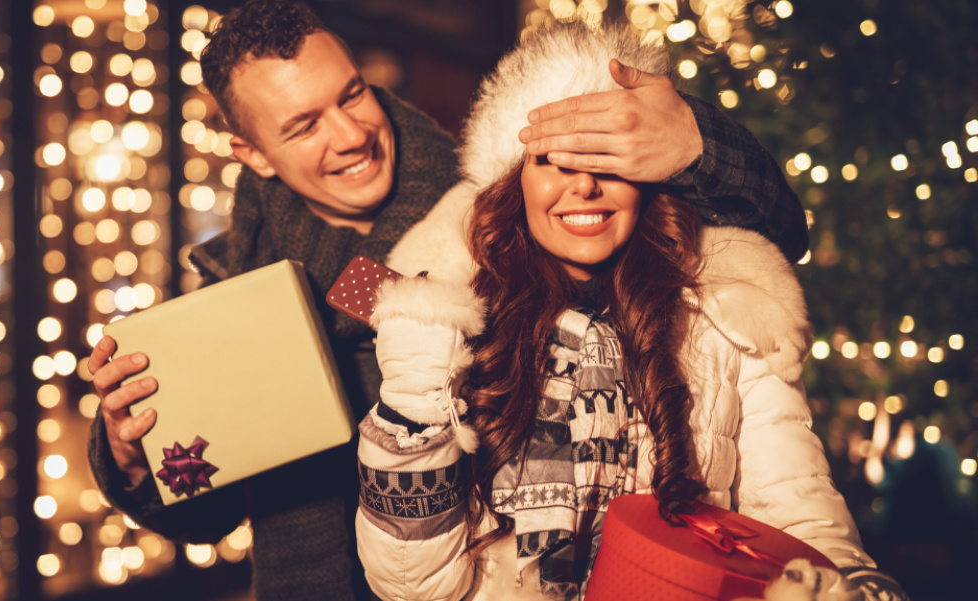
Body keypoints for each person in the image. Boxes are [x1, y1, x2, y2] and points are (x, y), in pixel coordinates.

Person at [86, 2, 813, 600]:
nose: (349, 135)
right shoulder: (238, 279)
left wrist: (694, 141)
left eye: (351, 94)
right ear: (249, 153)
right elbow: (209, 510)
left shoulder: (488, 200)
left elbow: (770, 225)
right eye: (303, 125)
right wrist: (132, 453)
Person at [356, 21, 907, 601]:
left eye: (609, 162)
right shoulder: (451, 321)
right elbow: (412, 588)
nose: (586, 186)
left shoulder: (727, 310)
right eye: (555, 162)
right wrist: (415, 395)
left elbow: (800, 510)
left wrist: (842, 585)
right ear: (514, 180)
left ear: (649, 175)